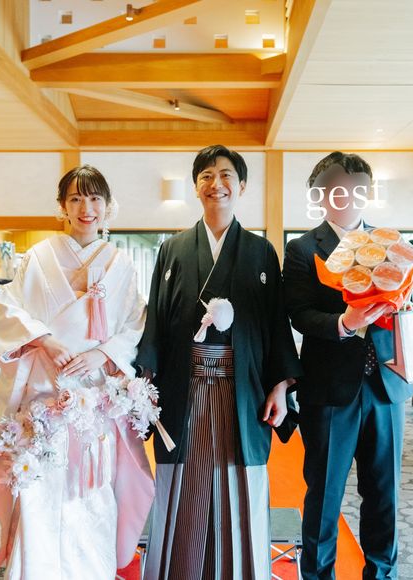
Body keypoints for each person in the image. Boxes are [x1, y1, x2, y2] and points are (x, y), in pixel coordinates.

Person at [137, 144, 301, 580]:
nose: (217, 184)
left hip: (242, 387)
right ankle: (179, 569)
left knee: (238, 481)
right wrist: (145, 384)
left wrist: (280, 387)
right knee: (183, 481)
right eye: (206, 176)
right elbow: (156, 320)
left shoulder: (261, 251)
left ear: (241, 185)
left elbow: (276, 324)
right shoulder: (173, 249)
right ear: (196, 187)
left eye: (226, 174)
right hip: (183, 386)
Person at [0, 165, 154, 580]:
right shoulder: (39, 257)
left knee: (91, 490)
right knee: (40, 487)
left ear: (108, 206)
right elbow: (9, 308)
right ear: (62, 206)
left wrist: (103, 353)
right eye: (75, 198)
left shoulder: (120, 264)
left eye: (94, 198)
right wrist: (44, 339)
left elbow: (135, 323)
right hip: (44, 388)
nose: (85, 208)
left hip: (94, 395)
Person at [283, 152, 413, 579]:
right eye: (335, 187)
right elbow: (298, 313)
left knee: (384, 495)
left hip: (386, 387)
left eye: (356, 186)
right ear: (320, 194)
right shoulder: (303, 249)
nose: (346, 194)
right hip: (329, 390)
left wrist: (404, 303)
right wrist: (344, 322)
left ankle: (382, 574)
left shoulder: (391, 244)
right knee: (324, 496)